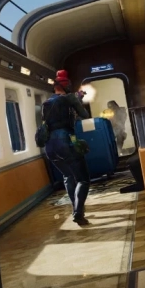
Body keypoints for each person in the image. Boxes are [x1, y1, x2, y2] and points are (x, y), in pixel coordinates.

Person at [44, 70, 91, 226]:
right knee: (83, 179)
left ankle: (76, 208)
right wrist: (77, 100)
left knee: (68, 176)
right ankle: (78, 213)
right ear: (67, 85)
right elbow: (84, 115)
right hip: (66, 141)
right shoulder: (70, 98)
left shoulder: (47, 102)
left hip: (50, 147)